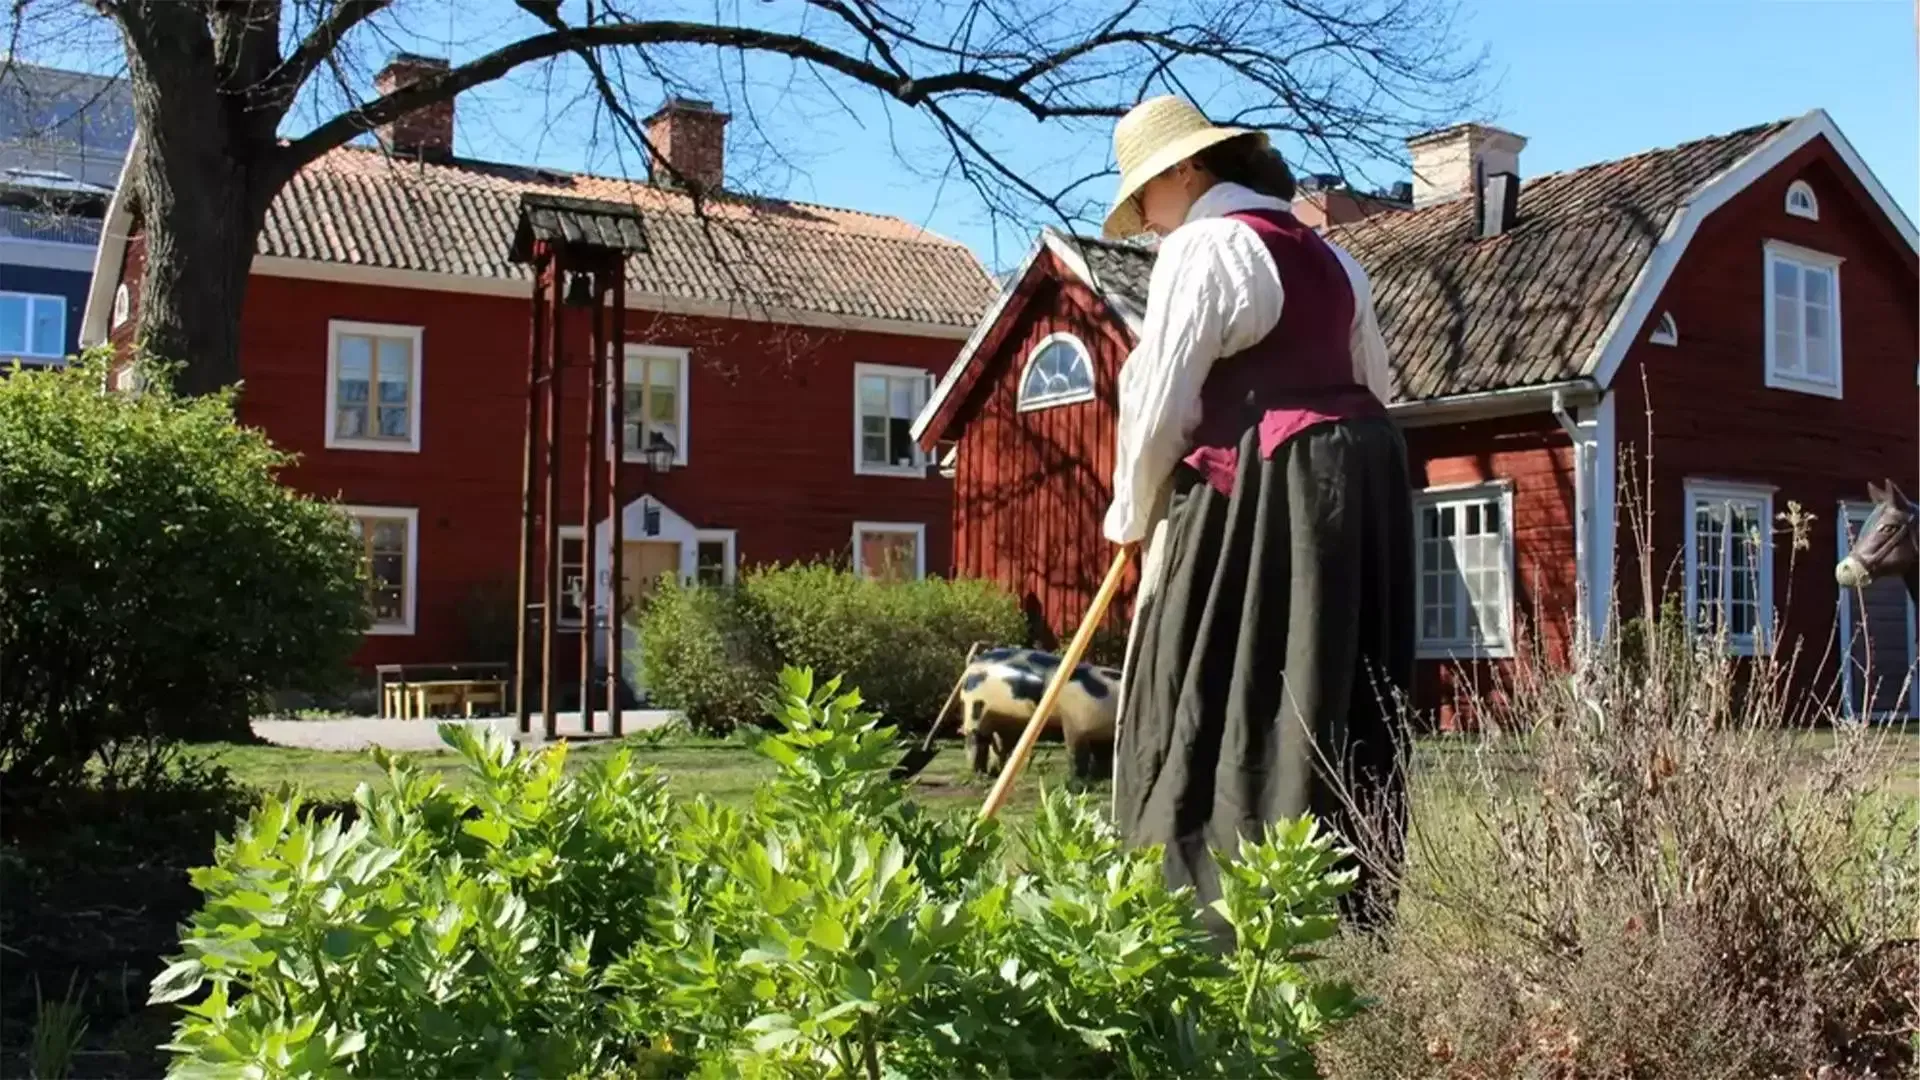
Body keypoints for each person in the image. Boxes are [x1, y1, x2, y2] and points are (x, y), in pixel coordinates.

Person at [1100, 95, 1414, 936]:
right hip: (1359, 487)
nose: (1148, 221)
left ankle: (1207, 910)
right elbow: (1371, 382)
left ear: (1185, 170)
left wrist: (1131, 515)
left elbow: (1161, 401)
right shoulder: (1335, 258)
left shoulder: (1205, 247)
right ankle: (1338, 907)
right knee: (1328, 679)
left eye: (1145, 197)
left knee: (1221, 676)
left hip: (1267, 490)